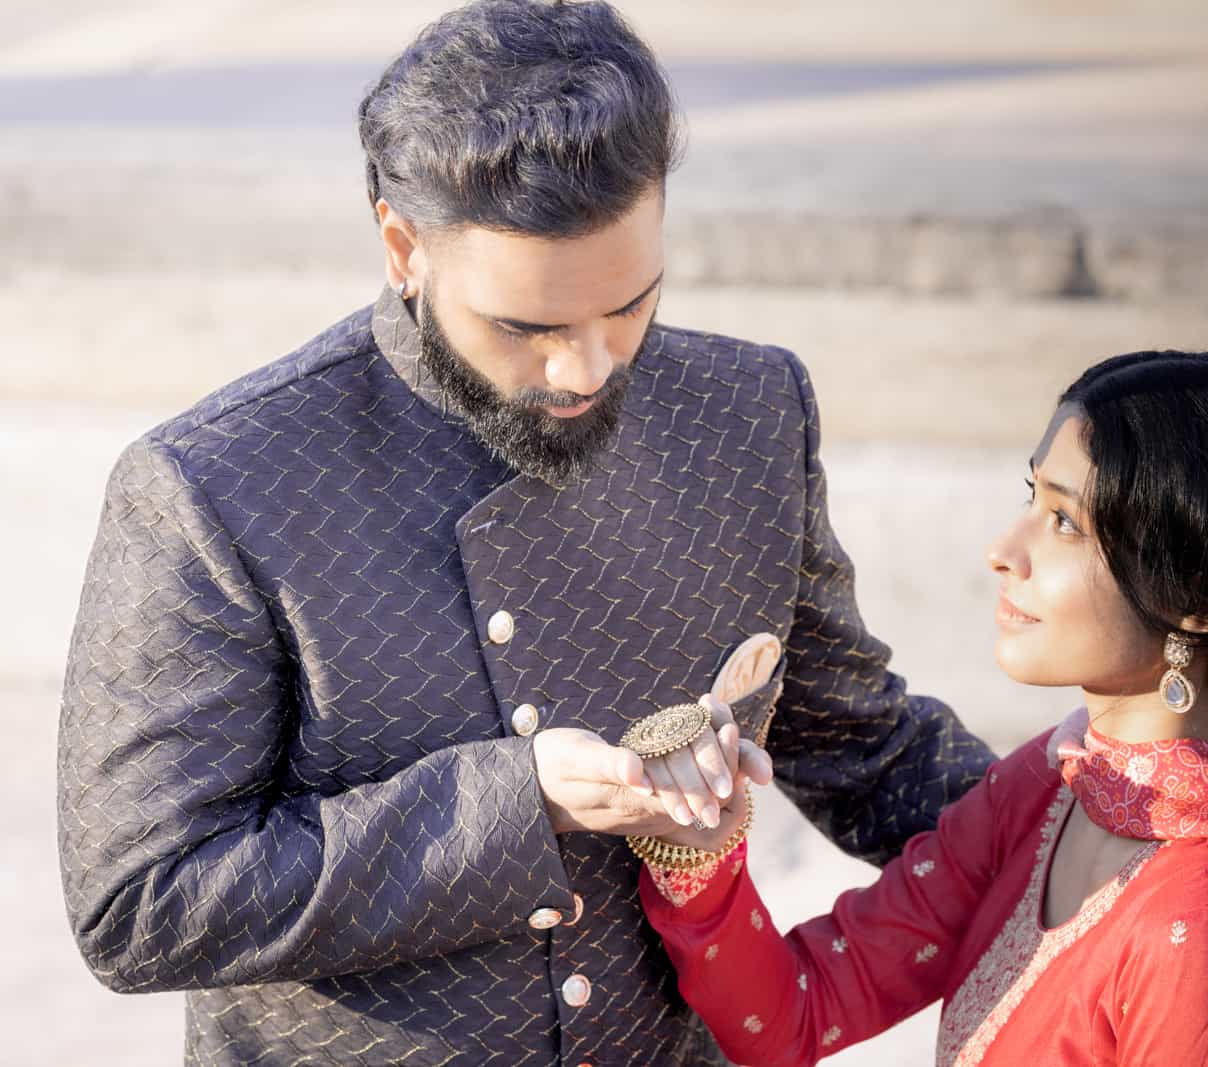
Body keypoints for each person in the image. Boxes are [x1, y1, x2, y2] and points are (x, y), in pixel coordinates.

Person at [54, 2, 991, 1063]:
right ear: (403, 244)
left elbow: (859, 745)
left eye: (630, 306)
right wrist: (516, 801)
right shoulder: (217, 485)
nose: (587, 369)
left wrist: (1107, 807)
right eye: (528, 326)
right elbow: (139, 903)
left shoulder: (748, 411)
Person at [641, 350, 1208, 1066]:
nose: (1004, 549)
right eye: (1031, 497)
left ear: (1202, 602)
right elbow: (799, 1012)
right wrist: (699, 846)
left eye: (1065, 521)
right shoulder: (1052, 785)